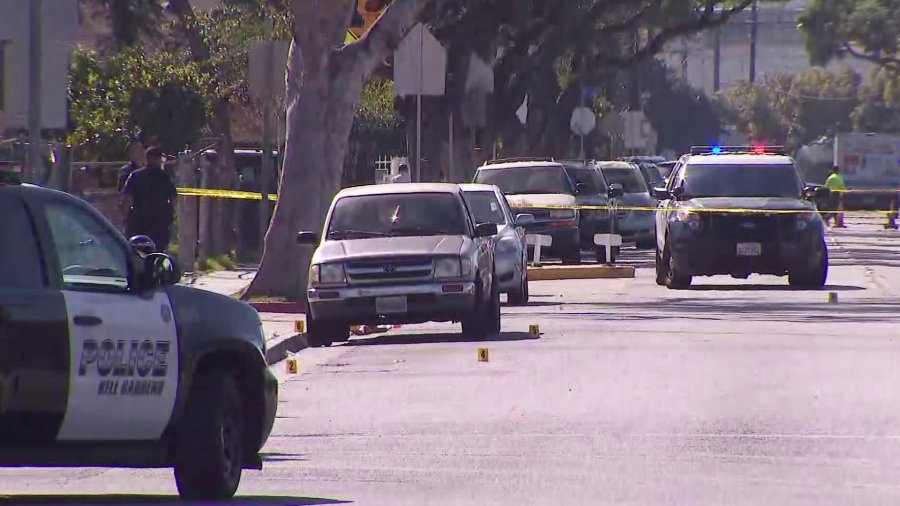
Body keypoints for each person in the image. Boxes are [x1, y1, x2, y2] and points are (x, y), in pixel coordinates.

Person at [120, 147, 177, 251]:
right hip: (153, 222)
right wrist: (170, 213)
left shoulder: (136, 175)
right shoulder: (164, 177)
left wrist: (125, 217)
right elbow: (173, 198)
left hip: (142, 222)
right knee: (157, 251)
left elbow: (126, 199)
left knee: (138, 251)